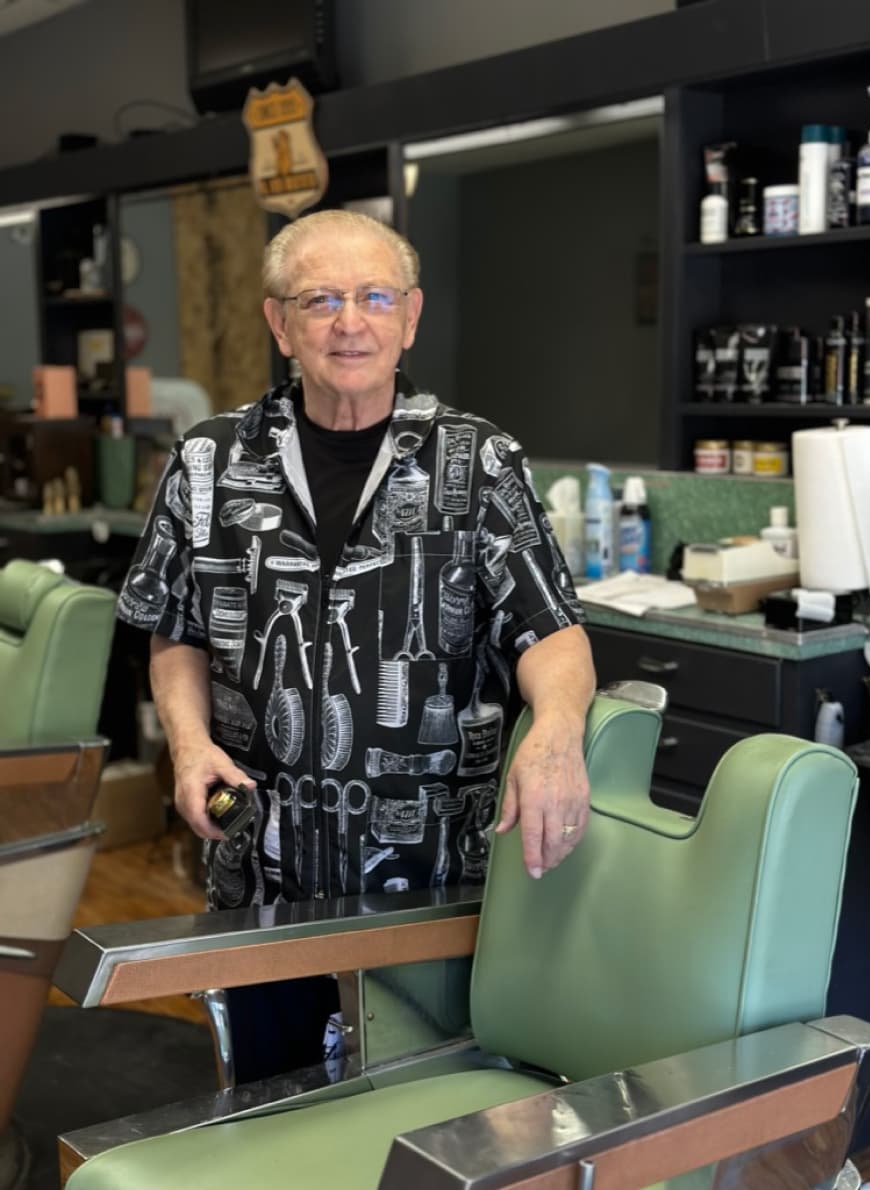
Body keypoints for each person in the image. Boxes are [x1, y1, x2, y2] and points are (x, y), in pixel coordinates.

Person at [117, 209, 596, 1081]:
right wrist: (188, 747)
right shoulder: (208, 462)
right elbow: (173, 630)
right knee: (268, 1107)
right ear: (279, 323)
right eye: (321, 299)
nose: (350, 322)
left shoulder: (478, 463)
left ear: (410, 317)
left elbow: (552, 632)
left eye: (374, 297)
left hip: (432, 887)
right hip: (258, 870)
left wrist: (558, 733)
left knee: (421, 1125)